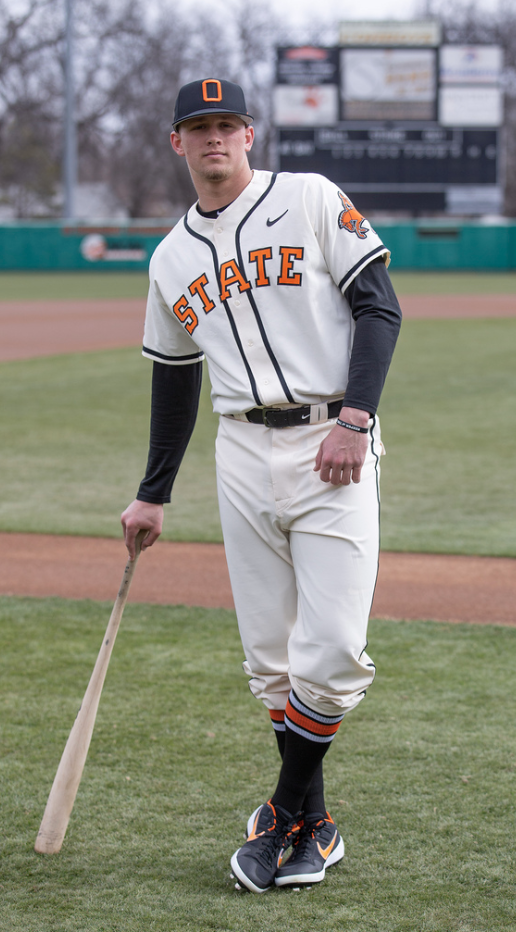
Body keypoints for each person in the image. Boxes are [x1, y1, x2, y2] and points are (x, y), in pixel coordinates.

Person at [121, 78, 402, 894]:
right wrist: (154, 492)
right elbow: (174, 378)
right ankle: (315, 827)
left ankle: (280, 816)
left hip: (331, 440)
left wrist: (355, 420)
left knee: (335, 649)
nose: (214, 139)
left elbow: (378, 308)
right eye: (197, 128)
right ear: (178, 143)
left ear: (251, 134)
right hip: (240, 449)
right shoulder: (171, 256)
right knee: (270, 663)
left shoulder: (310, 199)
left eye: (227, 125)